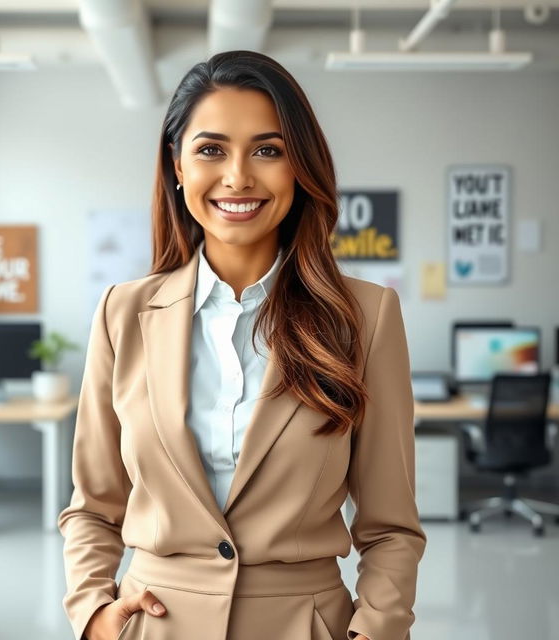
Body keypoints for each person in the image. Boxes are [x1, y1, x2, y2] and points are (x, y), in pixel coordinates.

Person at [58, 50, 427, 640]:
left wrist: (375, 632)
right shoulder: (122, 313)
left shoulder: (365, 316)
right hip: (155, 625)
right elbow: (94, 503)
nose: (238, 177)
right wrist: (92, 612)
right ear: (176, 166)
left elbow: (391, 526)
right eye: (210, 150)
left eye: (268, 150)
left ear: (299, 166)